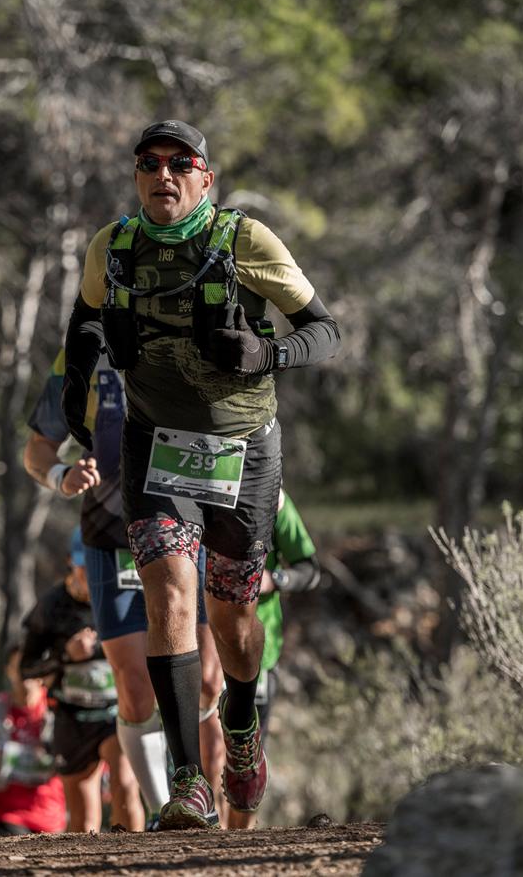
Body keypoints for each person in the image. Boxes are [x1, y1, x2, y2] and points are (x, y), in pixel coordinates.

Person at [60, 120, 339, 829]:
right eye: (148, 164)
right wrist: (76, 384)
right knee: (168, 598)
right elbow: (84, 322)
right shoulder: (113, 247)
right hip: (158, 451)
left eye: (180, 164)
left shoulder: (246, 242)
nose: (164, 175)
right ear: (136, 177)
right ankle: (189, 784)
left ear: (205, 177)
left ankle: (241, 732)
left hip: (243, 455)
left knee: (234, 616)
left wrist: (266, 355)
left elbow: (325, 330)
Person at [24, 347, 229, 826]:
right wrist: (62, 475)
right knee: (134, 690)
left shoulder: (184, 334)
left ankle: (206, 790)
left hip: (184, 527)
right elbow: (36, 452)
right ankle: (167, 812)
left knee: (205, 682)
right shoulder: (80, 354)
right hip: (109, 539)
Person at [19, 530, 145, 832]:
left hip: (116, 712)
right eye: (82, 566)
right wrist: (66, 654)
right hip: (71, 716)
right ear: (70, 563)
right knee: (84, 817)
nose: (89, 574)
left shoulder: (122, 594)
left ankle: (137, 862)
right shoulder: (51, 606)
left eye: (96, 566)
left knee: (125, 786)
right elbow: (27, 668)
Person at [228, 488, 321, 830]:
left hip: (260, 653)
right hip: (200, 648)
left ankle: (237, 842)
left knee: (248, 758)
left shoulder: (271, 496)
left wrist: (274, 579)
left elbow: (309, 569)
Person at [0, 644, 67, 835]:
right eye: (19, 666)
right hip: (7, 814)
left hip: (52, 815)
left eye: (30, 666)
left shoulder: (58, 708)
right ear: (8, 671)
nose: (25, 673)